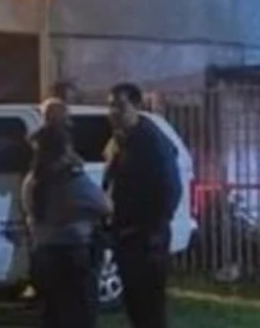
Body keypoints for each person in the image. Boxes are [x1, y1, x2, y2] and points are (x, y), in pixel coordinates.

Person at [105, 82, 181, 328]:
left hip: (146, 238)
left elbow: (170, 188)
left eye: (120, 106)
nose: (113, 112)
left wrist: (155, 229)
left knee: (149, 309)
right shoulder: (121, 141)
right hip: (126, 236)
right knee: (135, 306)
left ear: (136, 105)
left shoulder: (150, 141)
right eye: (110, 106)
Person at [23, 125, 111, 328]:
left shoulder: (32, 181)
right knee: (79, 316)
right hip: (72, 257)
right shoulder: (73, 181)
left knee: (53, 316)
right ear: (65, 149)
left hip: (42, 255)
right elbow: (105, 205)